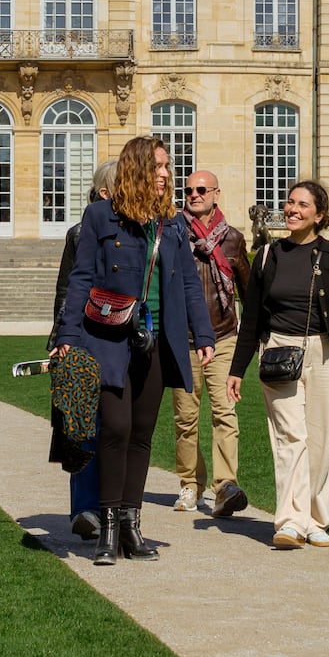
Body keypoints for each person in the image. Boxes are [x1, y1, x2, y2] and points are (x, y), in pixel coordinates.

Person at [51, 137, 215, 566]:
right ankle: (107, 529)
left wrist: (204, 336)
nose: (165, 173)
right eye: (158, 166)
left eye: (167, 166)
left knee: (141, 434)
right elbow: (80, 278)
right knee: (115, 428)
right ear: (137, 168)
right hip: (107, 337)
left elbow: (188, 283)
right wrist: (67, 334)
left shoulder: (172, 223)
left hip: (158, 340)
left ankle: (130, 526)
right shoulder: (100, 216)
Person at [227, 180, 329, 550]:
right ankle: (291, 522)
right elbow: (251, 319)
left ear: (319, 215)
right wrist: (236, 369)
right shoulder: (267, 256)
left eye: (302, 205)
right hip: (279, 351)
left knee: (322, 440)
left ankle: (315, 519)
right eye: (290, 202)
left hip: (326, 353)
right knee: (290, 438)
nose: (292, 210)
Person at [171, 169, 251, 517]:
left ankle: (225, 486)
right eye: (188, 190)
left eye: (201, 189)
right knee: (186, 418)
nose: (194, 194)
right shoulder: (173, 234)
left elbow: (248, 291)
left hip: (223, 338)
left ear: (216, 194)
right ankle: (190, 484)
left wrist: (254, 338)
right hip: (183, 340)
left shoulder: (233, 239)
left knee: (224, 413)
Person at [47, 160, 117, 540]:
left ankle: (113, 508)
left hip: (119, 339)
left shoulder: (139, 230)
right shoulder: (78, 234)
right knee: (81, 424)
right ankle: (85, 509)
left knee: (116, 426)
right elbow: (65, 290)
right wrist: (61, 339)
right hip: (85, 338)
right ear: (106, 192)